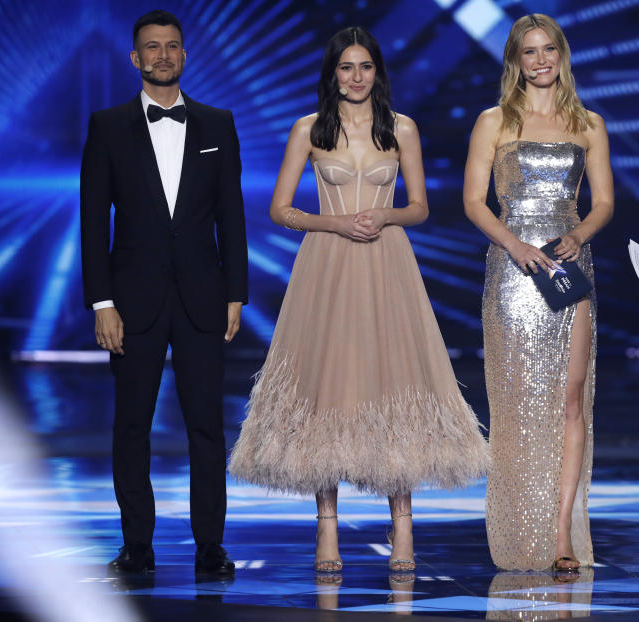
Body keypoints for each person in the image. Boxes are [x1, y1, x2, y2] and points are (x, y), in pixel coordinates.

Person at [228, 26, 488, 574]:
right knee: (328, 384)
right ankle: (327, 528)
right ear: (332, 74)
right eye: (345, 67)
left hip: (386, 262)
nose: (355, 77)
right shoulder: (308, 129)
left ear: (378, 72)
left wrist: (385, 215)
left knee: (391, 381)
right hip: (326, 262)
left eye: (365, 66)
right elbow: (280, 209)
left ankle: (403, 524)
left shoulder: (402, 129)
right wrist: (336, 223)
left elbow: (418, 206)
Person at [80, 10, 247, 576]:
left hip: (203, 297)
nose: (162, 55)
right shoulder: (107, 126)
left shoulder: (217, 124)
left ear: (185, 55)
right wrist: (102, 302)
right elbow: (91, 219)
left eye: (172, 46)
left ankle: (210, 546)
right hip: (132, 302)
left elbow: (232, 213)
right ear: (135, 58)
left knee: (207, 426)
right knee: (132, 426)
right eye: (151, 48)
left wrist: (236, 293)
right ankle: (137, 545)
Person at [463, 14, 613, 572]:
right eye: (530, 52)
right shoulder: (494, 121)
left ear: (562, 54)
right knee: (518, 404)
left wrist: (578, 234)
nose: (541, 60)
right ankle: (521, 526)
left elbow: (604, 204)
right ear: (516, 61)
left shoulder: (589, 123)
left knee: (571, 401)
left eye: (549, 49)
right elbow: (475, 202)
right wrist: (516, 247)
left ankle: (561, 535)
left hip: (570, 271)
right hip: (514, 273)